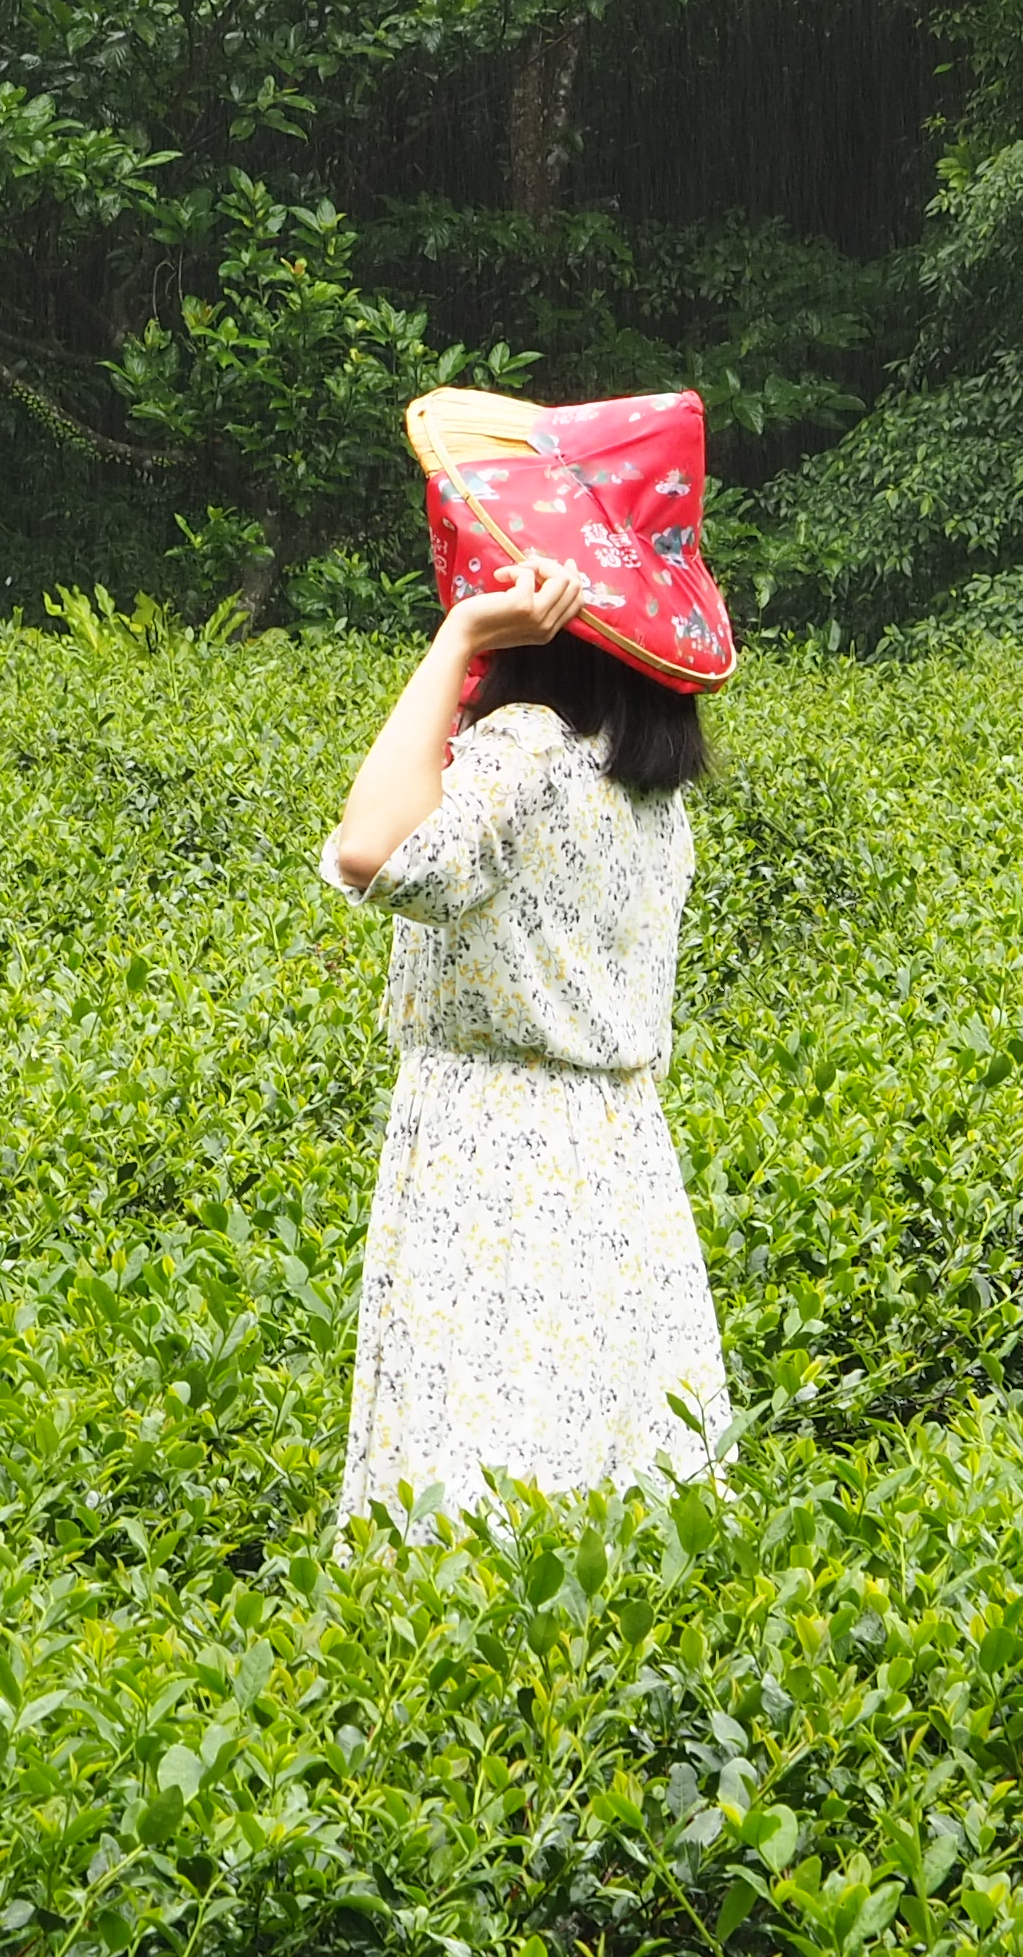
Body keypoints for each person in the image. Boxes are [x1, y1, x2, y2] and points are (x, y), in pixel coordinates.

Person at [321, 387, 737, 1536]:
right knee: (606, 1474)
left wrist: (458, 642)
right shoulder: (643, 786)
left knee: (475, 1477)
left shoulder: (525, 750)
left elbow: (371, 849)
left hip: (493, 1154)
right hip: (619, 1155)